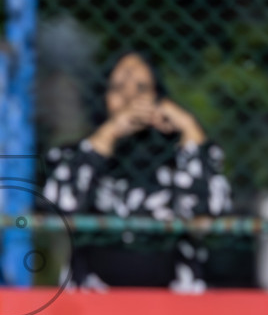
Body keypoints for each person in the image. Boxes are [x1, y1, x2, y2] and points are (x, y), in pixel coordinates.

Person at [42, 50, 230, 290]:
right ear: (102, 96)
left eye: (142, 89)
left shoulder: (180, 159)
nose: (131, 99)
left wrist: (189, 128)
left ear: (159, 97)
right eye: (118, 88)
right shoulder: (75, 156)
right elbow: (61, 209)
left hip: (172, 298)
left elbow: (208, 214)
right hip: (93, 296)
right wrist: (108, 133)